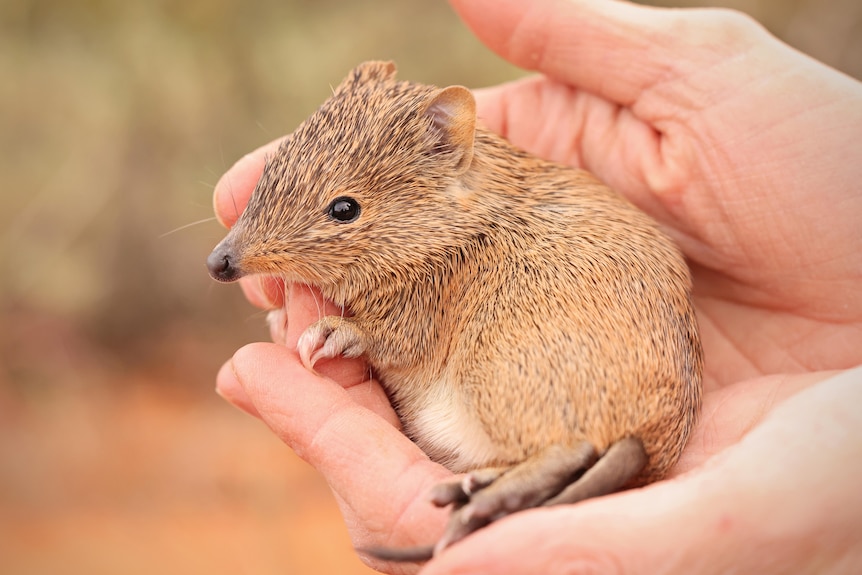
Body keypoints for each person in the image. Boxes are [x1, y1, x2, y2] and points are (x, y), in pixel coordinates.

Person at [211, 0, 862, 572]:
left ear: (448, 157)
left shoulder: (465, 253)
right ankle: (549, 461)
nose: (239, 255)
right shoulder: (437, 245)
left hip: (593, 391)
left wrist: (361, 331)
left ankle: (555, 454)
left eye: (343, 212)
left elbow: (408, 340)